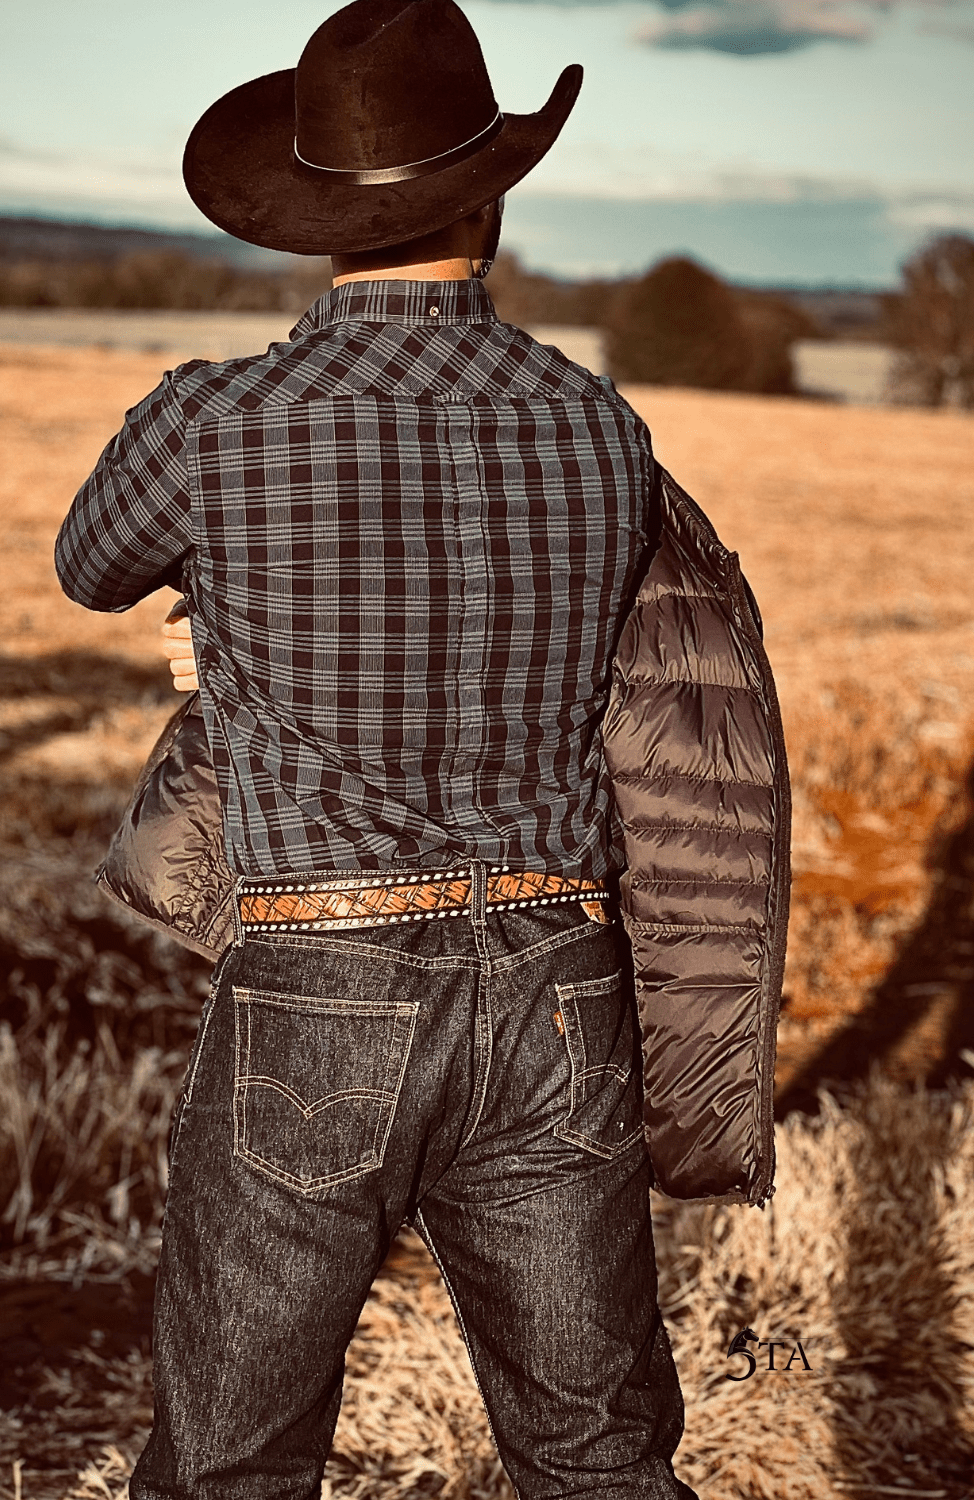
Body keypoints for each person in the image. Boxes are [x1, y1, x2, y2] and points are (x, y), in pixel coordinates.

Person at [56, 3, 790, 1495]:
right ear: (493, 198)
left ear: (315, 220)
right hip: (561, 982)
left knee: (231, 1465)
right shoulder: (600, 428)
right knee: (597, 1455)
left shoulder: (216, 421)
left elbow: (89, 565)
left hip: (319, 979)